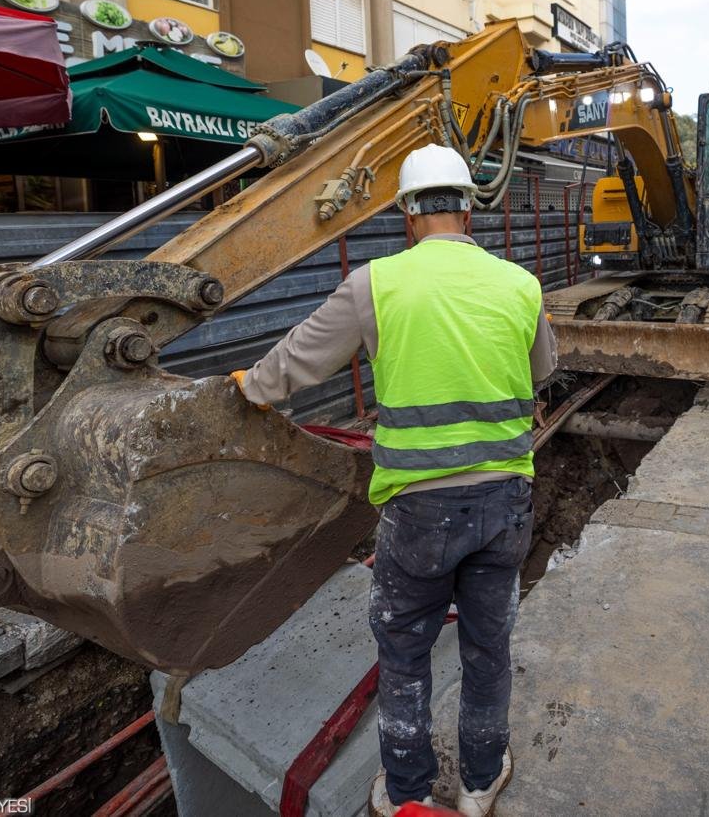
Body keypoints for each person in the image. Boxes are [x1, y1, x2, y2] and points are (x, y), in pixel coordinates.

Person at [232, 144, 556, 816]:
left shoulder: (374, 285)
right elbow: (543, 370)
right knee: (488, 649)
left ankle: (405, 795)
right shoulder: (519, 285)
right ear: (469, 207)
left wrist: (250, 386)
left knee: (406, 652)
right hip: (504, 504)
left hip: (418, 513)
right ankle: (478, 782)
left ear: (408, 213)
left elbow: (299, 362)